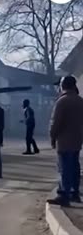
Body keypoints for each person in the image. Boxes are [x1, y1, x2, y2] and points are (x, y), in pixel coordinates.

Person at [47, 76, 83, 207]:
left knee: (64, 168)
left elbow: (55, 122)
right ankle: (75, 193)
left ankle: (64, 195)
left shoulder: (62, 101)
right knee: (74, 166)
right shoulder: (80, 101)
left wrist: (52, 136)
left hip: (63, 139)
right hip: (77, 139)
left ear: (63, 85)